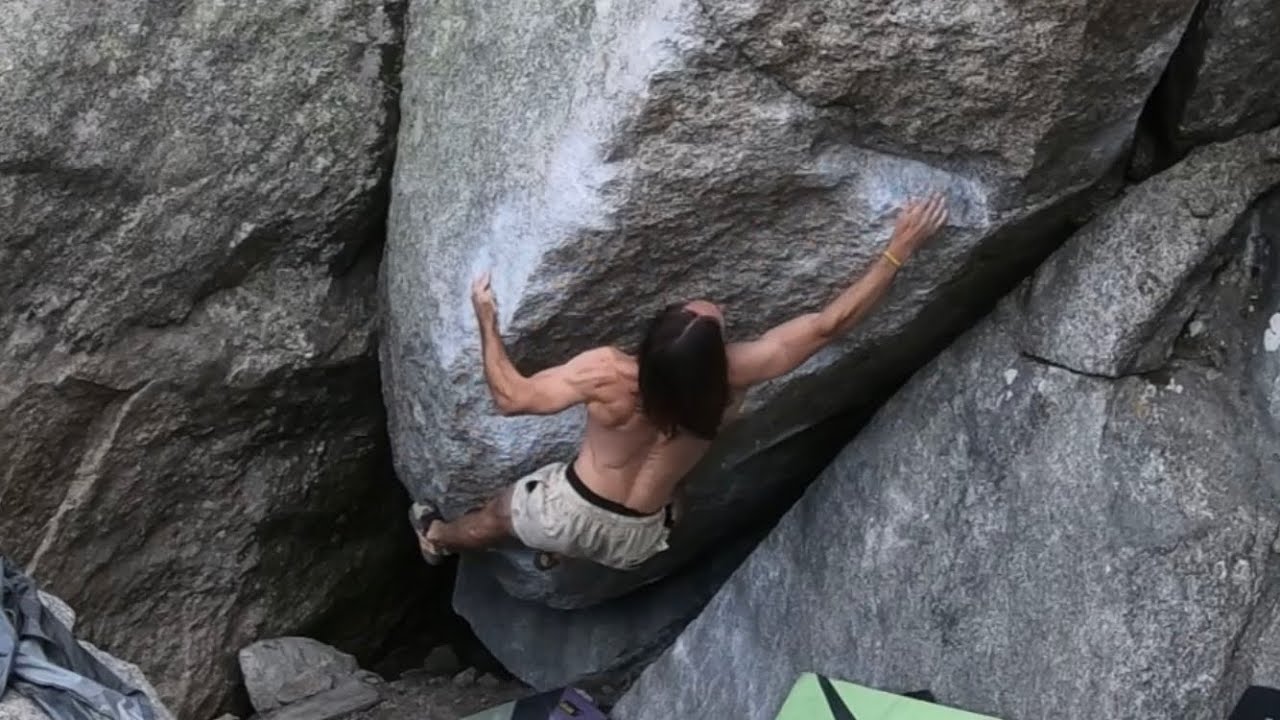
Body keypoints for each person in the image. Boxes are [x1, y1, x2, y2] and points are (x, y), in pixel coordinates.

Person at [412, 193, 949, 570]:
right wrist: (898, 248)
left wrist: (486, 319)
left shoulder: (609, 374)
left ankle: (436, 537)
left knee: (497, 515)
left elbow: (511, 398)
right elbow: (831, 324)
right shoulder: (733, 375)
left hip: (569, 510)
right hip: (642, 537)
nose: (713, 307)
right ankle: (563, 550)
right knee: (673, 493)